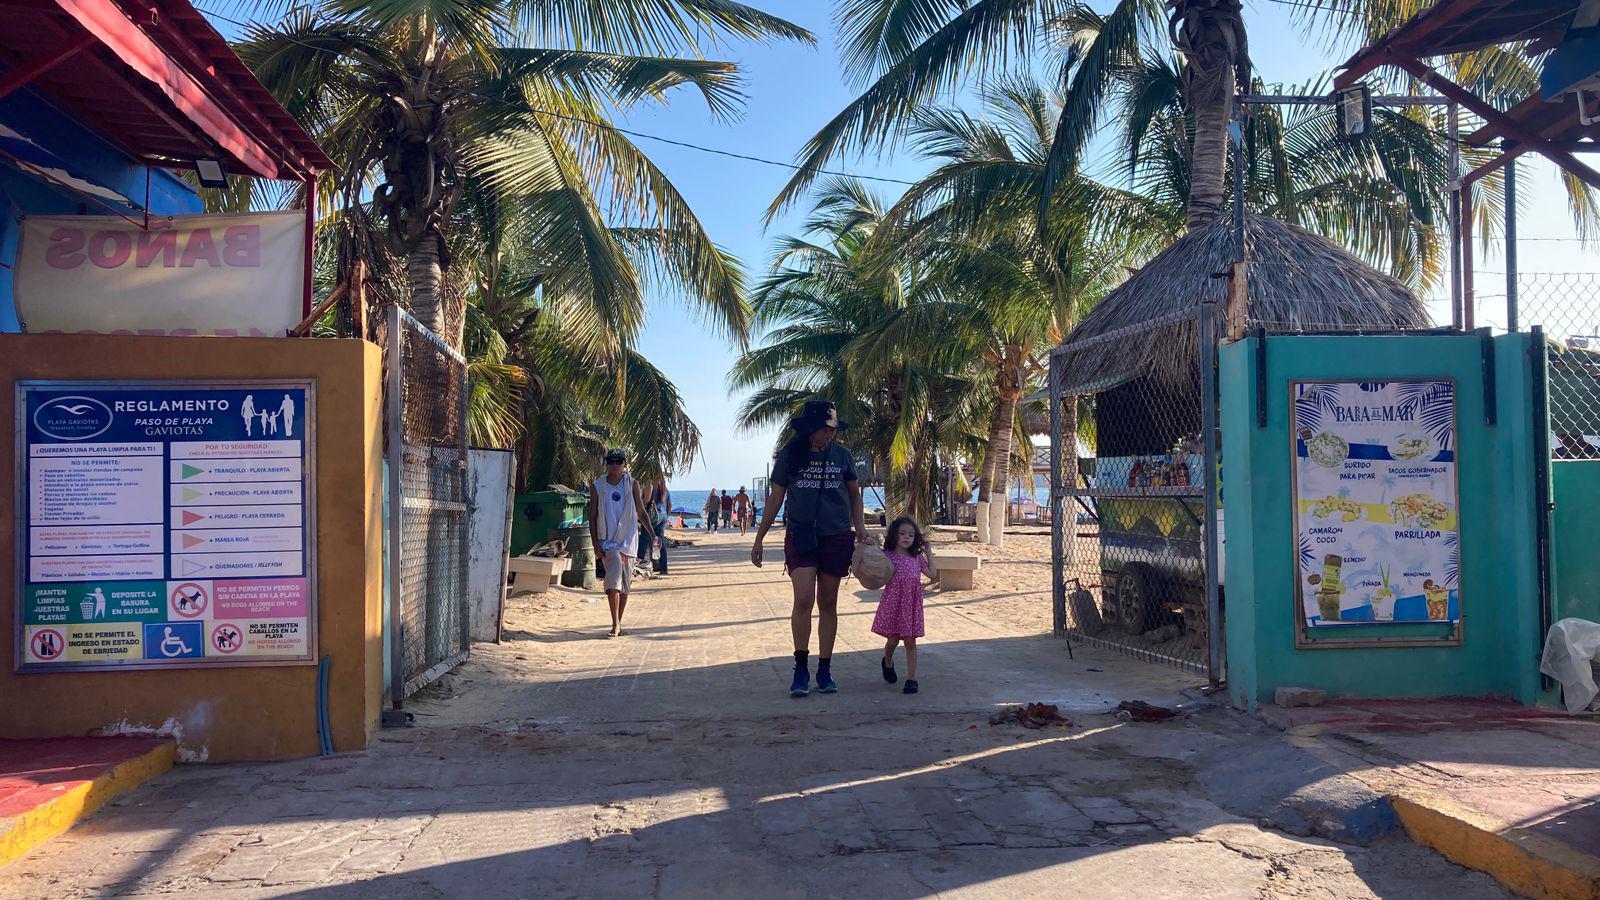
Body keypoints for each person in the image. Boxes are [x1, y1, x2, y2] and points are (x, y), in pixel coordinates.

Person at [751, 400, 872, 697]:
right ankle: (800, 667)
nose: (829, 434)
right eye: (824, 429)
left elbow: (855, 497)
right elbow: (775, 498)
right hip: (801, 535)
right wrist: (760, 538)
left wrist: (862, 530)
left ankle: (825, 667)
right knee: (803, 598)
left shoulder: (842, 456)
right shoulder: (790, 456)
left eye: (832, 429)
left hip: (836, 536)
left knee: (828, 602)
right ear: (811, 428)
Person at [589, 449, 655, 637]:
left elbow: (641, 512)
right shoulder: (598, 486)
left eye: (619, 461)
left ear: (624, 464)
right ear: (606, 463)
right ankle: (614, 623)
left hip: (628, 539)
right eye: (611, 461)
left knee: (625, 586)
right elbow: (592, 516)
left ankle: (619, 621)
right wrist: (595, 543)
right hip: (607, 541)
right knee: (613, 578)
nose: (615, 465)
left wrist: (652, 534)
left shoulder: (632, 484)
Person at [873, 517, 939, 695]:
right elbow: (874, 571)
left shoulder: (917, 557)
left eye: (910, 534)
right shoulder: (887, 555)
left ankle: (911, 679)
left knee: (910, 641)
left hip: (911, 605)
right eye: (902, 533)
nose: (906, 537)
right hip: (893, 603)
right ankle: (887, 662)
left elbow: (932, 574)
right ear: (894, 535)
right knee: (893, 640)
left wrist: (929, 552)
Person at [646, 476, 670, 574]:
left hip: (654, 516)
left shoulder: (652, 488)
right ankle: (663, 568)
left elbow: (647, 502)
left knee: (647, 539)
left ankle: (654, 564)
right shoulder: (666, 490)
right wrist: (666, 517)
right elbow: (669, 505)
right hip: (663, 516)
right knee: (660, 540)